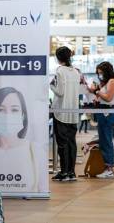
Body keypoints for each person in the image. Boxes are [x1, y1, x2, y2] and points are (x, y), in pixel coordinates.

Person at [0, 87, 40, 191]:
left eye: (14, 109)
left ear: (23, 115)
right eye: (0, 110)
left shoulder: (35, 151)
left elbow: (41, 189)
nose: (7, 115)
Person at [50, 46, 80, 182]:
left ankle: (64, 172)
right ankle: (71, 172)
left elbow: (60, 92)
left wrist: (51, 85)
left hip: (61, 111)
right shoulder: (75, 71)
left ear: (58, 57)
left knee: (62, 143)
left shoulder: (60, 71)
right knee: (72, 143)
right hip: (73, 112)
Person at [90, 61, 114, 179]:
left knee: (107, 140)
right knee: (103, 140)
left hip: (108, 113)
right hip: (102, 112)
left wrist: (97, 92)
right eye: (98, 73)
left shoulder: (112, 81)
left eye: (101, 73)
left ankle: (109, 167)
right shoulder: (105, 83)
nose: (99, 75)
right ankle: (107, 167)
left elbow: (108, 98)